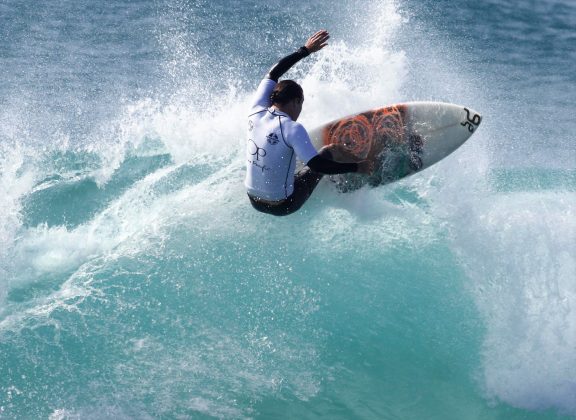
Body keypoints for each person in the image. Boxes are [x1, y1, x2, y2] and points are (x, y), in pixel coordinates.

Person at [245, 30, 372, 216]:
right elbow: (318, 166)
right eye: (301, 104)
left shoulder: (255, 110)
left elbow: (273, 72)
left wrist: (305, 50)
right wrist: (356, 167)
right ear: (296, 101)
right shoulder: (292, 128)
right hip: (284, 205)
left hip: (253, 200)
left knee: (287, 152)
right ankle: (347, 179)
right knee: (328, 153)